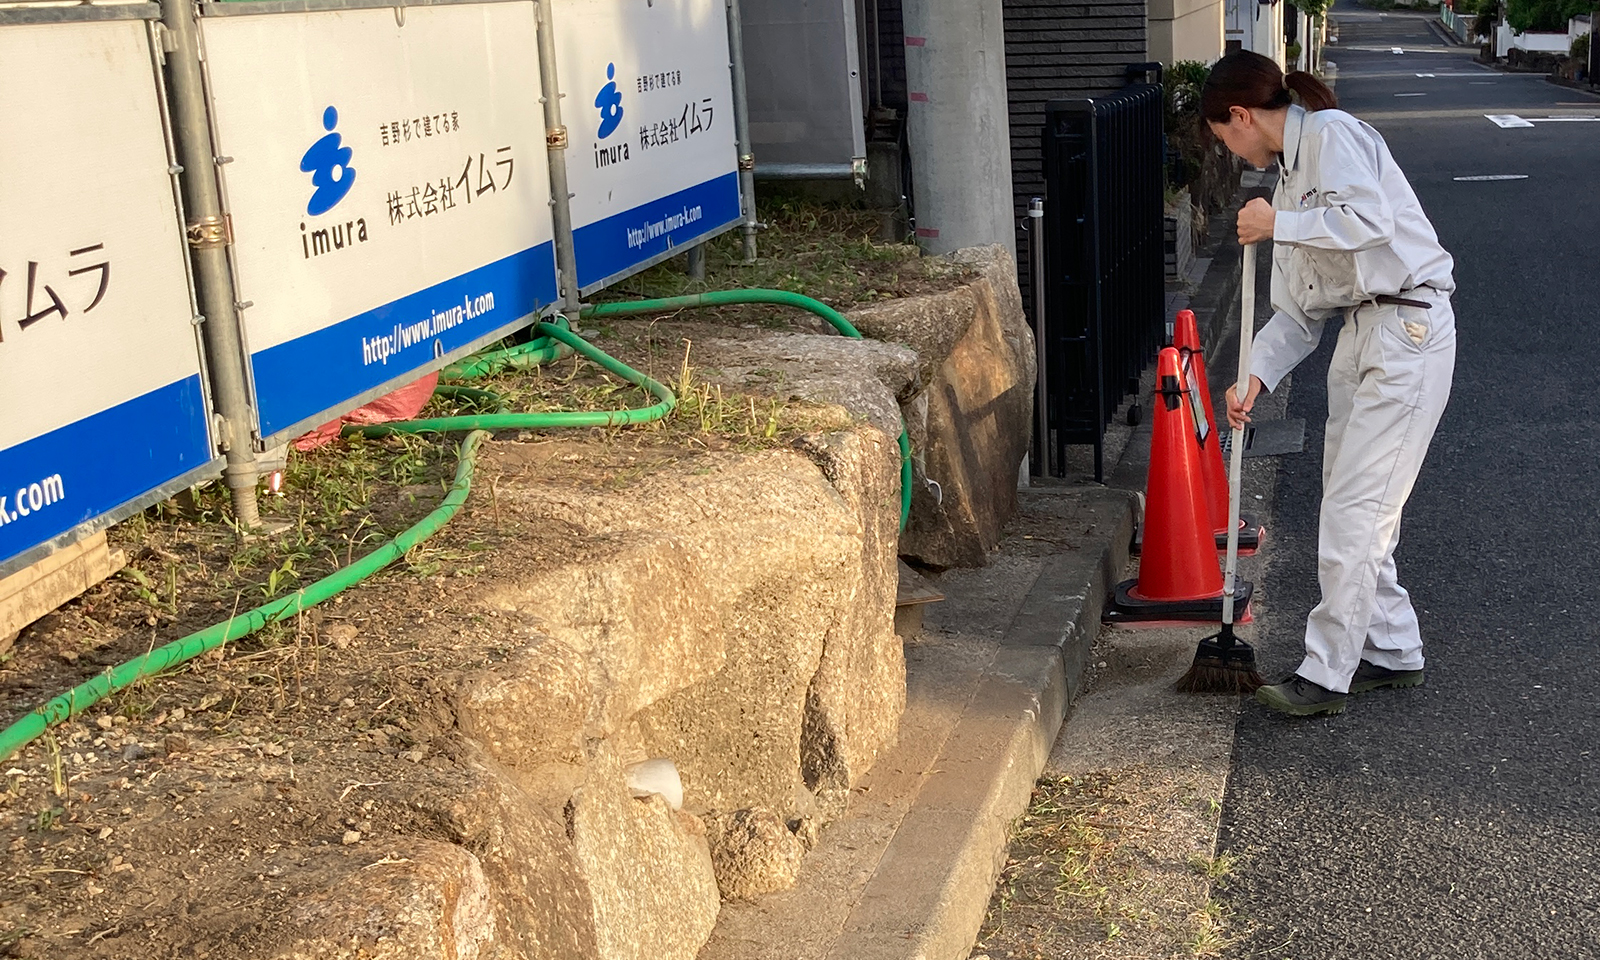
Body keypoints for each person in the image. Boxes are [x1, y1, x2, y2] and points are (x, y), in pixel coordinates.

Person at [1202, 51, 1457, 717]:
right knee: (1356, 506)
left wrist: (1275, 224)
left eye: (1224, 135)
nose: (1229, 150)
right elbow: (1297, 311)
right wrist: (1253, 375)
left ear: (1239, 115)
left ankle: (1326, 674)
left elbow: (1368, 221)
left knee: (1355, 513)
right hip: (1361, 332)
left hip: (1409, 326)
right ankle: (1392, 650)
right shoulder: (1288, 179)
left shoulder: (1332, 135)